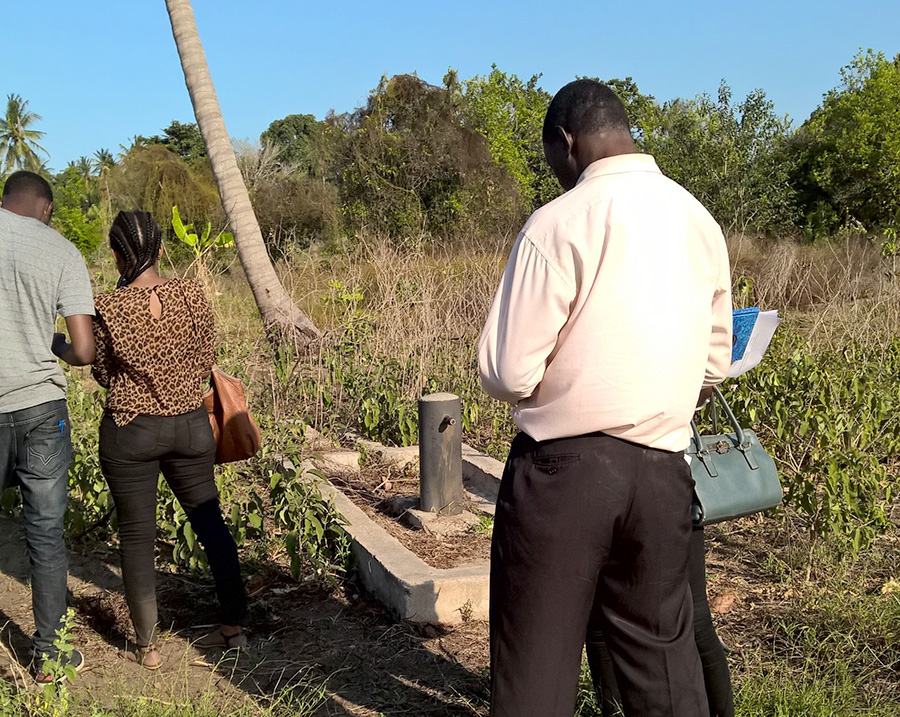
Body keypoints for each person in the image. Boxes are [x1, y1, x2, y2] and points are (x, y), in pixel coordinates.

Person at [478, 80, 733, 716]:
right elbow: (715, 361)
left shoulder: (560, 222)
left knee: (536, 667)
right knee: (662, 666)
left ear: (566, 142)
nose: (557, 174)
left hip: (565, 475)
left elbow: (508, 371)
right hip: (663, 470)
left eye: (551, 161)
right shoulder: (697, 220)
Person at [92, 210, 247, 670]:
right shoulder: (193, 295)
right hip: (190, 426)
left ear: (118, 255)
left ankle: (148, 646)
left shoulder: (108, 307)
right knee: (210, 521)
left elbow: (102, 373)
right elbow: (206, 357)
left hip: (132, 431)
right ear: (161, 250)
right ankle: (234, 626)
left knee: (137, 536)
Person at [0, 170, 95, 682]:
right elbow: (82, 350)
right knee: (45, 532)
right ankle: (50, 656)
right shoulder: (61, 251)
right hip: (40, 406)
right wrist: (52, 344)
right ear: (46, 208)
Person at [585, 526, 734, 717]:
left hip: (599, 506)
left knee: (599, 623)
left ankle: (614, 711)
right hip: (673, 503)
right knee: (697, 619)